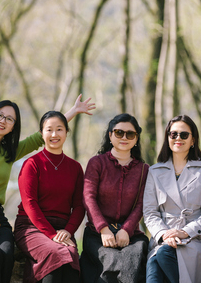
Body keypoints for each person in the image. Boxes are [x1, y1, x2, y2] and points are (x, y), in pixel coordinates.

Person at [0, 95, 94, 283]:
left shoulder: (9, 152)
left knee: (6, 253)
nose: (3, 121)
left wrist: (73, 111)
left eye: (9, 119)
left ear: (13, 126)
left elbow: (46, 134)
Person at [143, 115, 201, 283]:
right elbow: (150, 212)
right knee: (156, 262)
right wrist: (165, 235)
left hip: (195, 241)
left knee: (161, 256)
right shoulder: (154, 171)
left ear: (193, 140)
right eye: (173, 134)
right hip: (163, 238)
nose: (178, 138)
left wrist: (185, 232)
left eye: (184, 135)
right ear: (168, 138)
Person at [14, 111, 85, 283]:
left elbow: (79, 206)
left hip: (63, 229)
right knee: (55, 254)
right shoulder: (32, 164)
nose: (54, 134)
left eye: (59, 129)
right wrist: (51, 235)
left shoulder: (75, 167)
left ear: (66, 132)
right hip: (31, 227)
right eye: (49, 130)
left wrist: (68, 231)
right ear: (42, 133)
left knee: (71, 258)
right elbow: (30, 204)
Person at [80, 113, 150, 283]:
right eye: (119, 133)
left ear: (136, 138)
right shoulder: (97, 163)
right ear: (110, 135)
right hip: (97, 234)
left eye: (130, 134)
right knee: (111, 262)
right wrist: (103, 229)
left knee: (131, 263)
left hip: (131, 236)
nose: (124, 137)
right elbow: (88, 197)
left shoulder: (144, 170)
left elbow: (141, 204)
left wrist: (126, 230)